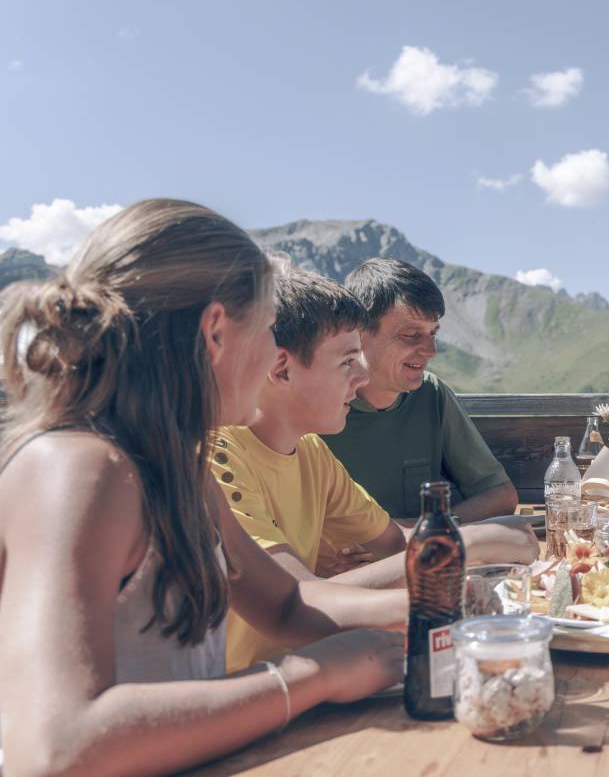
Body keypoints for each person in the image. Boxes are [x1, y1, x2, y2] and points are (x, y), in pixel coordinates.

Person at [0, 200, 405, 776]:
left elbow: (287, 603)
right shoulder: (76, 468)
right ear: (215, 331)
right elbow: (58, 746)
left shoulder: (180, 465)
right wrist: (310, 676)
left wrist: (438, 611)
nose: (271, 355)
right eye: (268, 330)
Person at [214, 263, 538, 672]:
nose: (361, 374)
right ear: (281, 369)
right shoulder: (216, 456)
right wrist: (465, 550)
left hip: (328, 675)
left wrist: (482, 539)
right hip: (258, 694)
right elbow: (296, 601)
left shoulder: (311, 452)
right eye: (348, 360)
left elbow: (395, 543)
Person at [321, 258, 518, 522]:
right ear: (360, 333)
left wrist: (416, 531)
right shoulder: (317, 405)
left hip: (422, 554)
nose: (431, 351)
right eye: (411, 335)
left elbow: (499, 495)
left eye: (432, 333)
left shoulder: (432, 394)